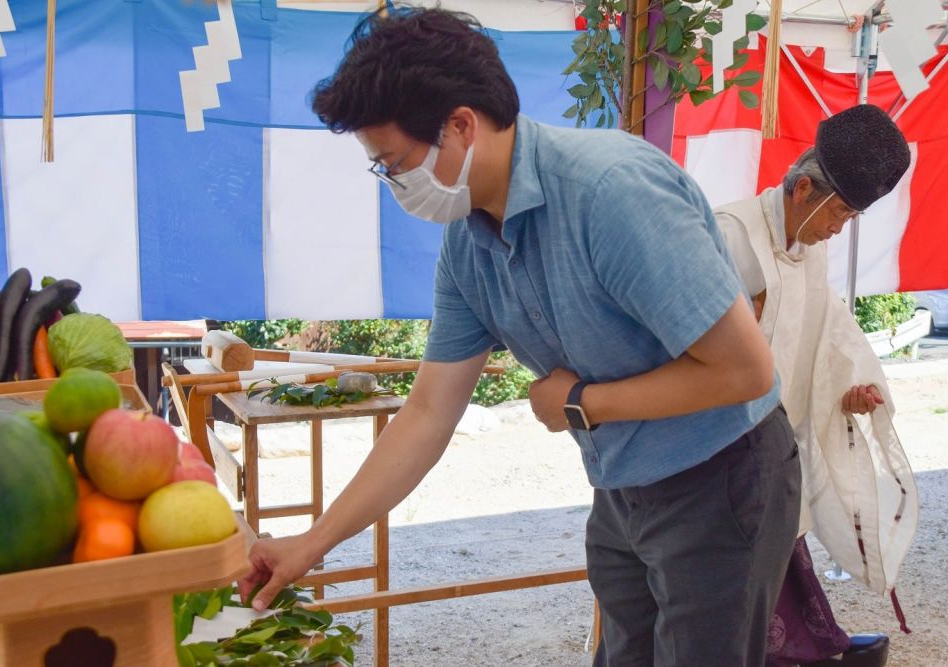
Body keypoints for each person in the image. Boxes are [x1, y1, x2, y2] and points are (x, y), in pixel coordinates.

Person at [240, 7, 801, 665]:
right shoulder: (469, 242)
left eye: (392, 162)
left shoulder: (611, 193)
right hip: (622, 486)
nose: (392, 183)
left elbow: (745, 371)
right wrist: (312, 542)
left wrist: (581, 404)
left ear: (459, 125)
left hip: (722, 477)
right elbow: (426, 413)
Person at [714, 104, 918, 667]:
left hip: (780, 440)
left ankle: (806, 646)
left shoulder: (810, 242)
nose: (838, 229)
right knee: (737, 571)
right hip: (724, 445)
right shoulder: (731, 235)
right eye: (842, 215)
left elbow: (825, 333)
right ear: (804, 188)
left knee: (780, 541)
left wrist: (849, 388)